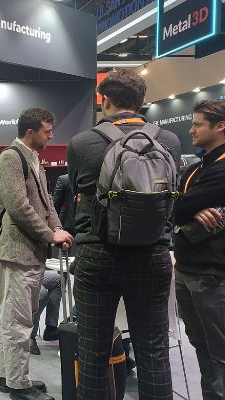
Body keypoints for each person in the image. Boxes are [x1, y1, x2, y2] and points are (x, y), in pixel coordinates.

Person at [67, 68, 181, 399]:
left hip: (97, 256)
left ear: (105, 100)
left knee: (92, 355)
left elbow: (77, 193)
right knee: (154, 354)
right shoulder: (169, 141)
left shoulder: (82, 143)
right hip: (153, 255)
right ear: (142, 101)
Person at [0, 107, 73, 400]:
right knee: (18, 323)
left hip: (30, 253)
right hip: (16, 252)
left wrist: (58, 228)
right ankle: (18, 385)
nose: (51, 136)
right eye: (47, 131)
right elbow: (18, 207)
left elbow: (47, 204)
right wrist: (51, 235)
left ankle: (11, 377)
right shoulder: (11, 158)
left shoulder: (33, 158)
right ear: (31, 132)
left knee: (16, 320)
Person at [173, 99, 225, 400]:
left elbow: (177, 208)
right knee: (202, 347)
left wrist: (183, 208)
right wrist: (186, 209)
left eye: (197, 125)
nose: (191, 130)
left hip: (213, 275)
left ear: (220, 126)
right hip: (187, 269)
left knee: (219, 352)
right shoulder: (197, 168)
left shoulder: (220, 169)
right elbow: (172, 208)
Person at [29, 271, 62, 356]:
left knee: (59, 280)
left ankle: (51, 328)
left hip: (31, 271)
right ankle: (30, 336)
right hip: (17, 273)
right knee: (42, 292)